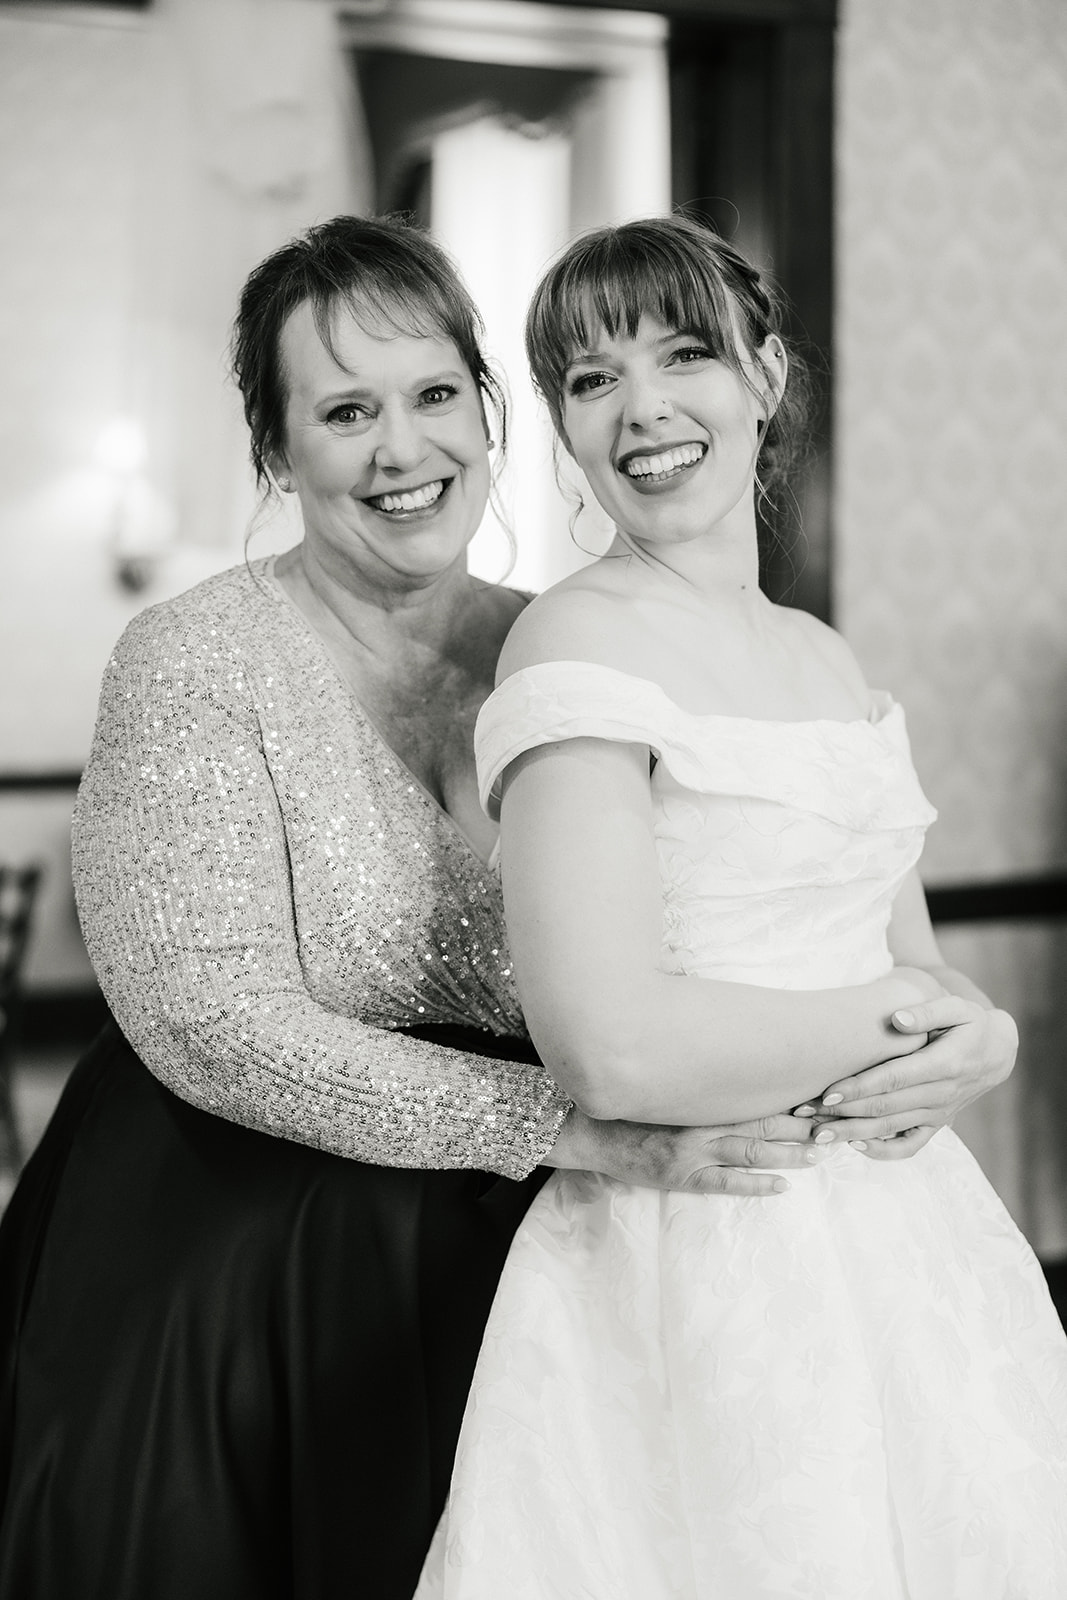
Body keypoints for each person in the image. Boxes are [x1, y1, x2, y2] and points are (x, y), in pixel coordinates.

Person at [0, 216, 1013, 1600]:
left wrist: (946, 1036)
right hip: (254, 1233)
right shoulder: (194, 658)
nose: (400, 449)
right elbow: (208, 1020)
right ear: (275, 450)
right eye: (345, 411)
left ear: (489, 416)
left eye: (433, 397)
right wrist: (563, 1127)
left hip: (522, 1217)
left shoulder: (578, 639)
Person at [415, 215, 1067, 1600]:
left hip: (909, 1240)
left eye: (685, 354)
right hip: (699, 1247)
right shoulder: (575, 641)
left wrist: (985, 1034)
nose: (643, 407)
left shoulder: (824, 657)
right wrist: (916, 1026)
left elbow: (918, 968)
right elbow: (613, 1049)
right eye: (591, 380)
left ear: (765, 379)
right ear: (566, 429)